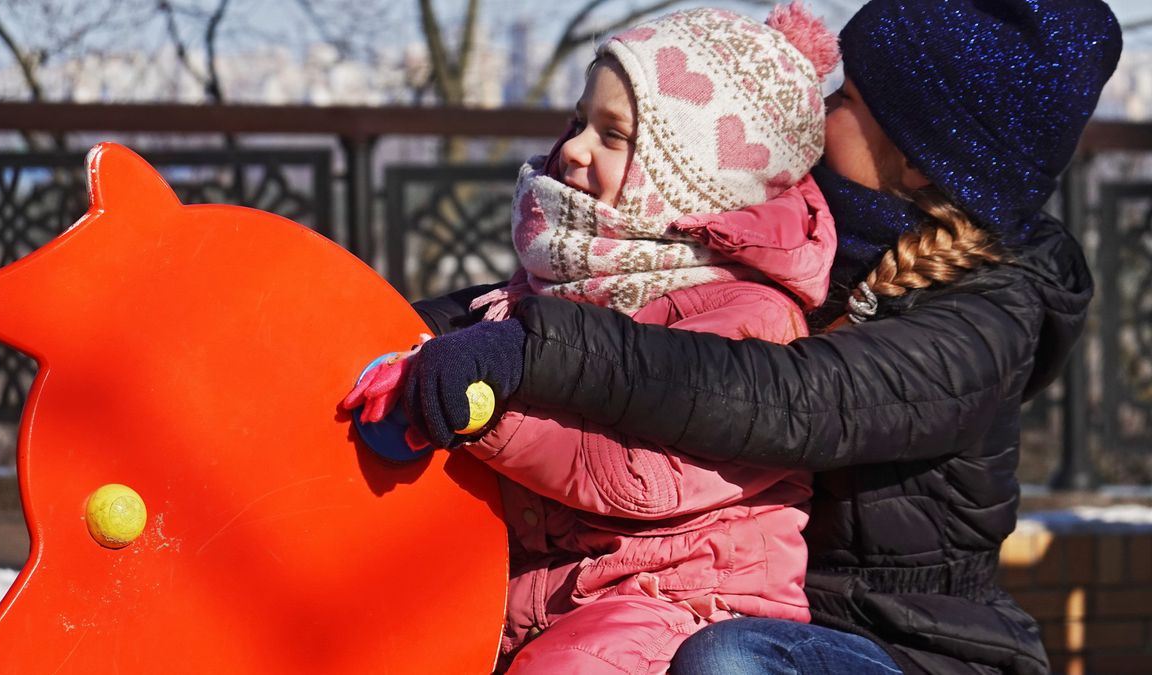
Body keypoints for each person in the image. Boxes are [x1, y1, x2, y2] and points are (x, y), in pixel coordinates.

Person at [392, 0, 1123, 673]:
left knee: (731, 659)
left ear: (915, 154)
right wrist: (396, 330)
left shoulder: (988, 316)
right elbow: (596, 292)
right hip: (721, 607)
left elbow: (794, 399)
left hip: (909, 648)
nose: (821, 107)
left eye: (846, 99)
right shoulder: (799, 233)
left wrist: (536, 352)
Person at [346, 6, 842, 672]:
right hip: (554, 585)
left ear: (693, 174)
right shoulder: (575, 273)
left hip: (680, 597)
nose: (575, 147)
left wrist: (483, 413)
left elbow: (642, 473)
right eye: (580, 121)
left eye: (615, 134)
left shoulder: (750, 313)